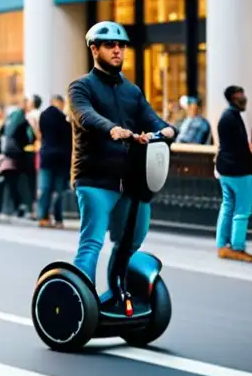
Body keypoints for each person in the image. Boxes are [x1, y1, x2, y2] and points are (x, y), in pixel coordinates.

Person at [67, 22, 176, 286]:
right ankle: (83, 301)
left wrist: (167, 130)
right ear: (94, 49)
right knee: (92, 241)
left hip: (130, 181)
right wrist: (113, 129)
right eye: (109, 45)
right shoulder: (81, 87)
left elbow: (153, 120)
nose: (117, 50)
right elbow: (86, 116)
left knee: (131, 242)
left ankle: (118, 295)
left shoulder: (132, 91)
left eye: (121, 46)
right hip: (94, 179)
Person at [215, 85, 252, 263]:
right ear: (233, 98)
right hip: (239, 171)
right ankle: (237, 247)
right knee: (242, 211)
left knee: (227, 207)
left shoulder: (226, 116)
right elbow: (241, 148)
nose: (244, 98)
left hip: (225, 169)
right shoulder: (232, 118)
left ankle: (222, 245)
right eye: (240, 95)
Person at [36, 94, 72, 228]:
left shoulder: (44, 117)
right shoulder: (64, 120)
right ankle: (58, 218)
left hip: (47, 157)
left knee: (45, 189)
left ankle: (43, 216)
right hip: (62, 160)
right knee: (58, 191)